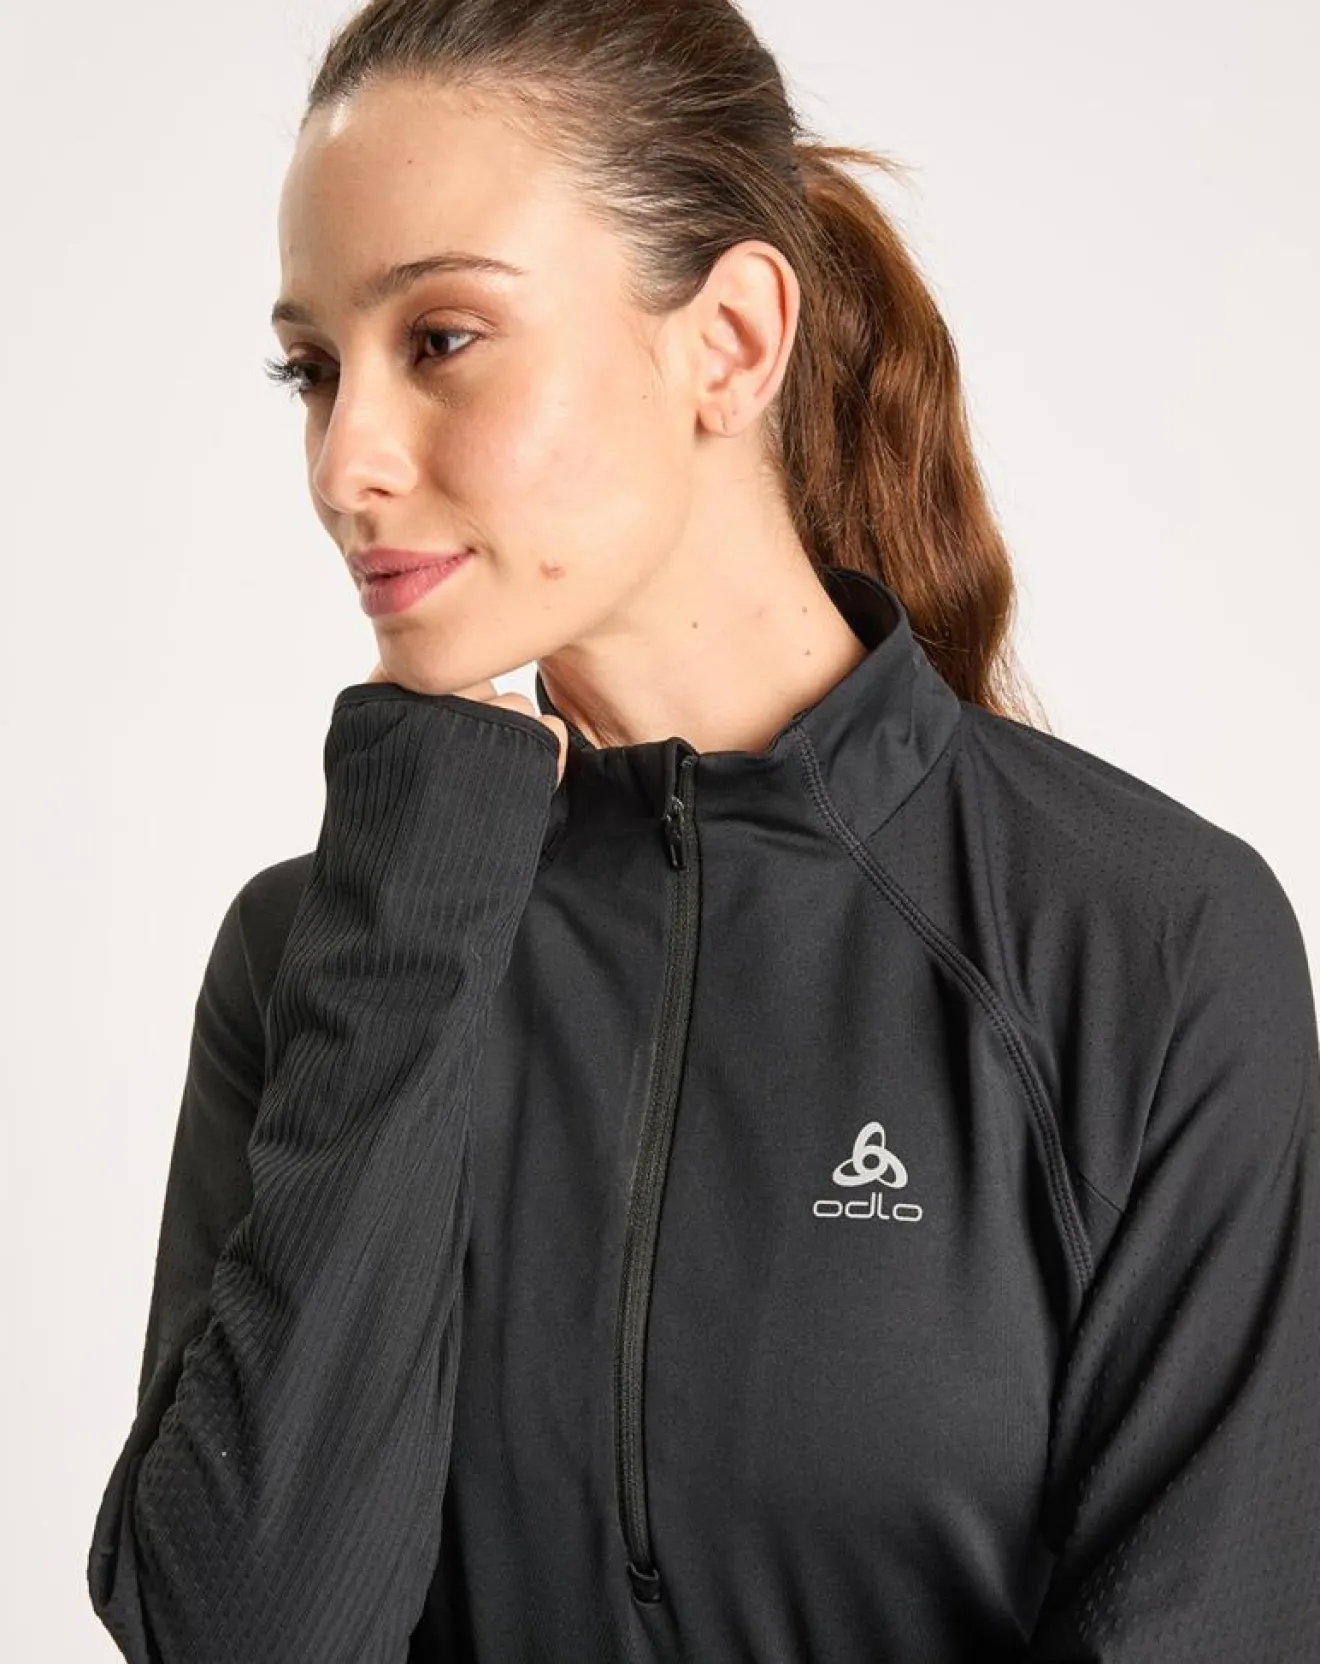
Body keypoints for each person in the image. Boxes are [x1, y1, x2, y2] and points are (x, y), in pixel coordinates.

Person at [86, 0, 1320, 1659]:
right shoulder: (321, 957)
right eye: (312, 369)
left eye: (440, 338)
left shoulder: (1142, 943)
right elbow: (245, 1636)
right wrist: (417, 885)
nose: (345, 461)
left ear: (729, 342)